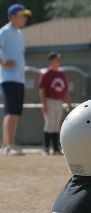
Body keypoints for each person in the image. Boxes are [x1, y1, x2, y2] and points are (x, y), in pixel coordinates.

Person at [0, 3, 30, 156]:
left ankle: (10, 143)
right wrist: (3, 62)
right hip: (9, 78)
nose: (25, 18)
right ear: (13, 17)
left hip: (19, 79)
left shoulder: (19, 33)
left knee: (16, 112)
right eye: (22, 15)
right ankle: (7, 146)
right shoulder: (4, 31)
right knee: (10, 112)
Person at [38, 51, 72, 155]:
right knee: (49, 124)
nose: (59, 61)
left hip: (59, 101)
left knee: (56, 125)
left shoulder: (61, 74)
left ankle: (56, 149)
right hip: (49, 101)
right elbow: (42, 90)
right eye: (57, 59)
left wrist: (68, 102)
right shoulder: (46, 74)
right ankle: (46, 148)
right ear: (51, 61)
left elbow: (65, 90)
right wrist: (43, 104)